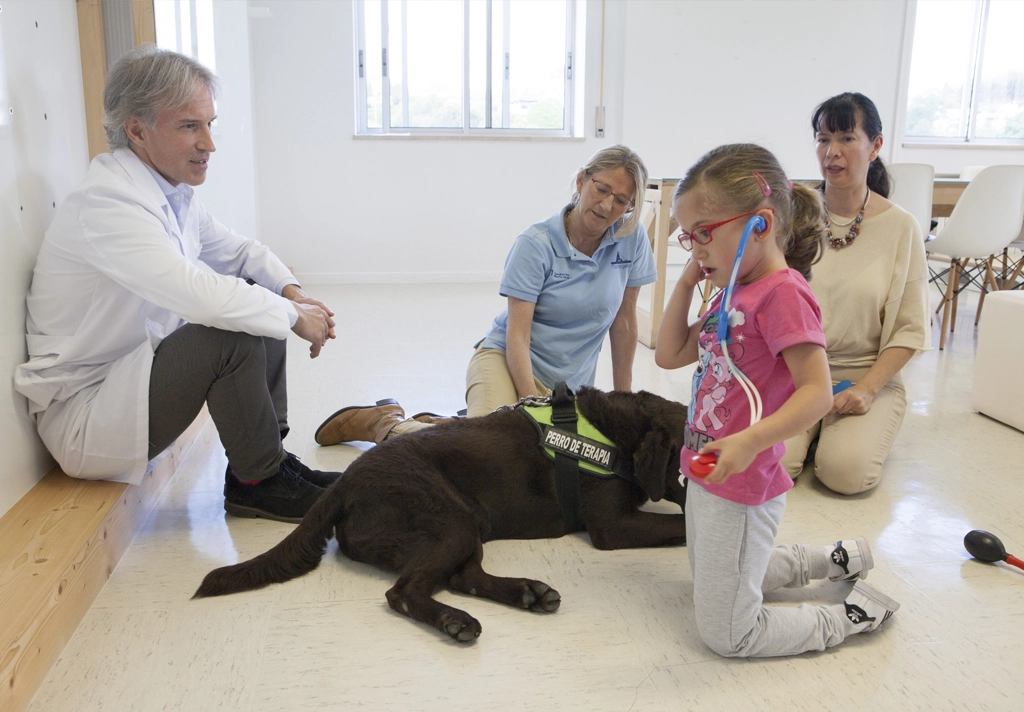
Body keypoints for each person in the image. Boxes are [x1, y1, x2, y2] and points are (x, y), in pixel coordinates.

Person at [14, 46, 339, 523]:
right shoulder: (109, 203)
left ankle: (268, 461)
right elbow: (195, 293)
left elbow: (240, 251)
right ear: (137, 130)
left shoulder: (170, 191)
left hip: (129, 382)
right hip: (87, 419)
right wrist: (294, 318)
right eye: (190, 126)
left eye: (209, 123)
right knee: (229, 326)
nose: (209, 143)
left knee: (254, 291)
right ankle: (259, 481)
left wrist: (293, 294)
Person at [654, 143, 899, 658]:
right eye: (688, 236)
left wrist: (749, 442)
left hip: (743, 479)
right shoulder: (731, 290)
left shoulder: (782, 293)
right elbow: (670, 353)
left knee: (727, 634)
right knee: (714, 577)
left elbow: (815, 393)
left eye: (705, 233)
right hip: (707, 467)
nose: (695, 248)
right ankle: (831, 559)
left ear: (760, 225)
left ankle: (849, 616)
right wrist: (685, 280)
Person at [314, 145, 657, 446]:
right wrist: (530, 405)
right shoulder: (536, 244)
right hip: (509, 362)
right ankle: (385, 424)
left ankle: (460, 423)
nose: (607, 205)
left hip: (568, 385)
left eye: (622, 201)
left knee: (553, 461)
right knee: (488, 451)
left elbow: (624, 321)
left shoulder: (630, 238)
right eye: (602, 189)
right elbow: (517, 335)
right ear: (582, 180)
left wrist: (622, 402)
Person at [781, 92, 929, 495]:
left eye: (847, 138)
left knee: (845, 475)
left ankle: (839, 435)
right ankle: (813, 434)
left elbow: (910, 330)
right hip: (797, 371)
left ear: (875, 146)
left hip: (864, 375)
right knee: (774, 465)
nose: (832, 152)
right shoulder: (797, 215)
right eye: (823, 138)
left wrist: (867, 389)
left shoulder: (902, 227)